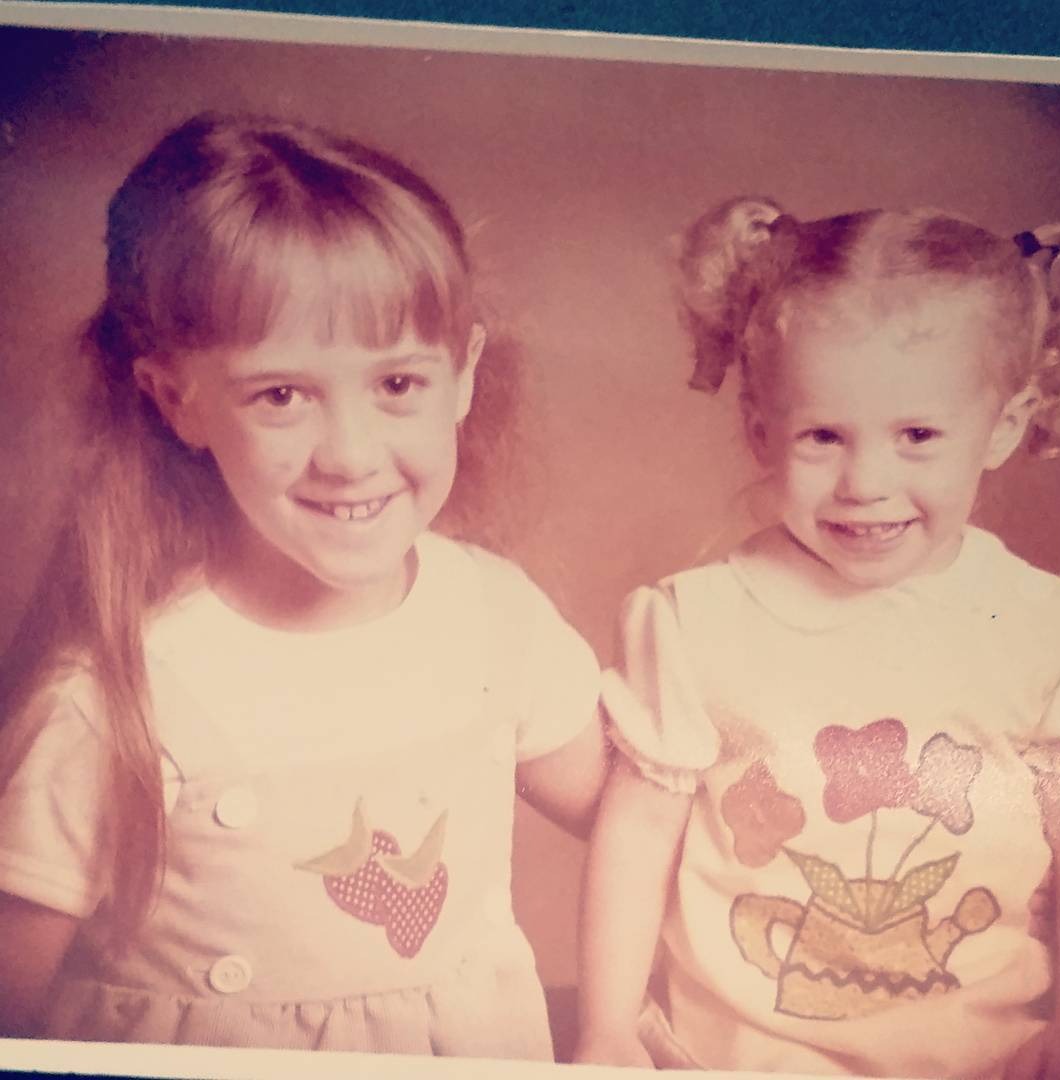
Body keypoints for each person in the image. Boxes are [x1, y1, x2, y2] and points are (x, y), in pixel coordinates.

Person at [0, 112, 606, 1057]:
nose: (351, 455)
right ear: (178, 401)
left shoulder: (494, 617)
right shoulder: (120, 691)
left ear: (463, 376)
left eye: (397, 385)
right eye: (281, 395)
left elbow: (631, 809)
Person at [576, 198, 1060, 1077]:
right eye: (823, 436)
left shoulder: (1050, 631)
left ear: (1004, 425)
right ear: (760, 429)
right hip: (740, 1059)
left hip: (992, 1059)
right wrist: (607, 1028)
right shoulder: (696, 620)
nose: (865, 482)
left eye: (917, 434)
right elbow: (637, 836)